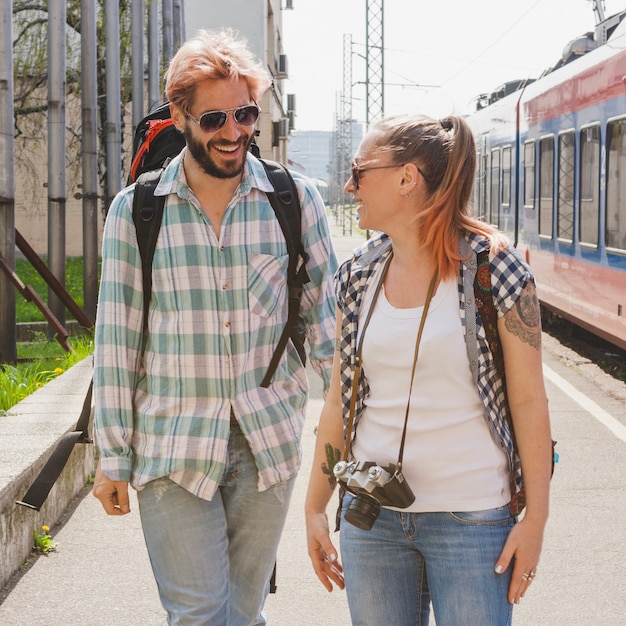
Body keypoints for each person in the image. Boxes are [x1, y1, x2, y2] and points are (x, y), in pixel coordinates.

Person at [92, 29, 337, 626]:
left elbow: (332, 337)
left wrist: (351, 450)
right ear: (179, 116)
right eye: (214, 118)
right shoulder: (137, 211)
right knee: (200, 614)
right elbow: (116, 344)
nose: (233, 132)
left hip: (267, 447)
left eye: (246, 113)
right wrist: (111, 456)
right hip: (172, 446)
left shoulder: (295, 201)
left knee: (242, 613)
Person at [304, 113, 553, 626]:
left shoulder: (496, 270)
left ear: (406, 179)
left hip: (472, 520)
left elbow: (530, 402)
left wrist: (537, 520)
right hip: (372, 520)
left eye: (359, 171)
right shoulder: (358, 275)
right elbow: (339, 401)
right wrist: (314, 506)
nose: (350, 186)